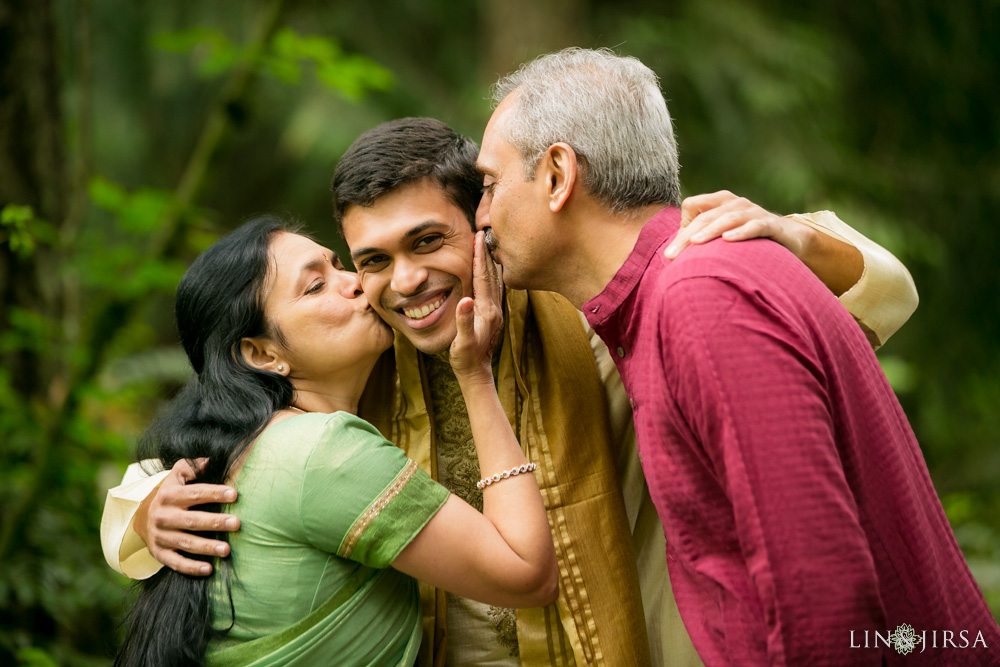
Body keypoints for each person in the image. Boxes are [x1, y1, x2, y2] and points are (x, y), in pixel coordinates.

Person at [103, 120, 919, 666]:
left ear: (485, 224)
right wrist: (148, 511)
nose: (403, 282)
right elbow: (231, 442)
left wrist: (796, 234)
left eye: (428, 241)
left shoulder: (592, 316)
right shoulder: (355, 369)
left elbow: (884, 295)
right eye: (373, 260)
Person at [474, 47, 1000, 665]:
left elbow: (819, 594)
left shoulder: (700, 299)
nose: (481, 217)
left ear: (558, 175)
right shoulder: (679, 293)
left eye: (489, 185)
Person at [113, 215, 559, 666]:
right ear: (262, 354)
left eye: (339, 265)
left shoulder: (243, 447)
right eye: (315, 287)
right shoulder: (322, 450)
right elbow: (526, 574)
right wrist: (475, 374)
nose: (357, 284)